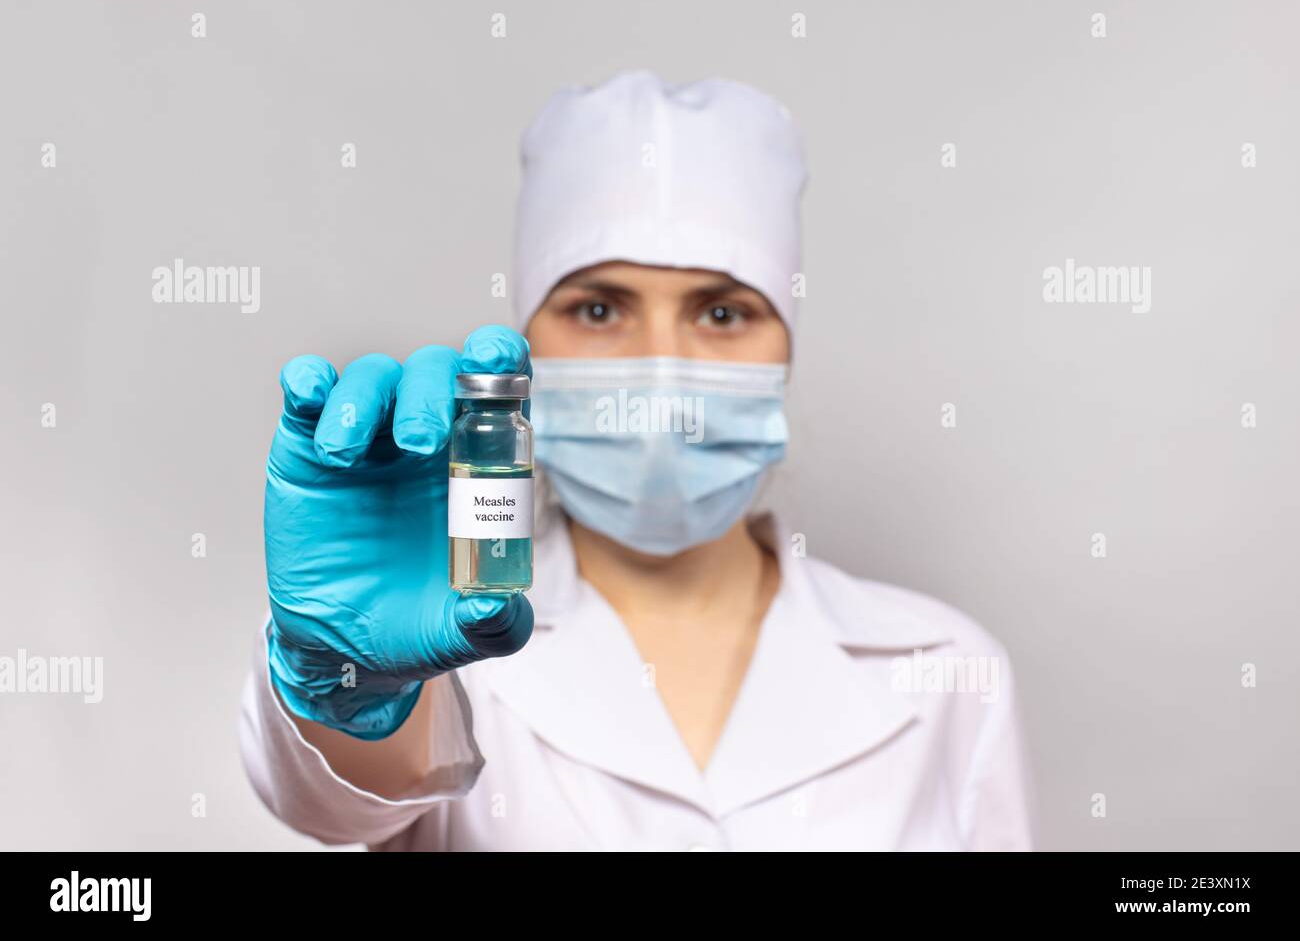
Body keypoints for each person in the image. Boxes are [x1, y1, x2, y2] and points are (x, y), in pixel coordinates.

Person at [238, 70, 1035, 850]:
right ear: (528, 344)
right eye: (597, 308)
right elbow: (333, 807)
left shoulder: (948, 670)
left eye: (722, 312)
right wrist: (349, 689)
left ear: (784, 349)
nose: (661, 367)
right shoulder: (441, 649)